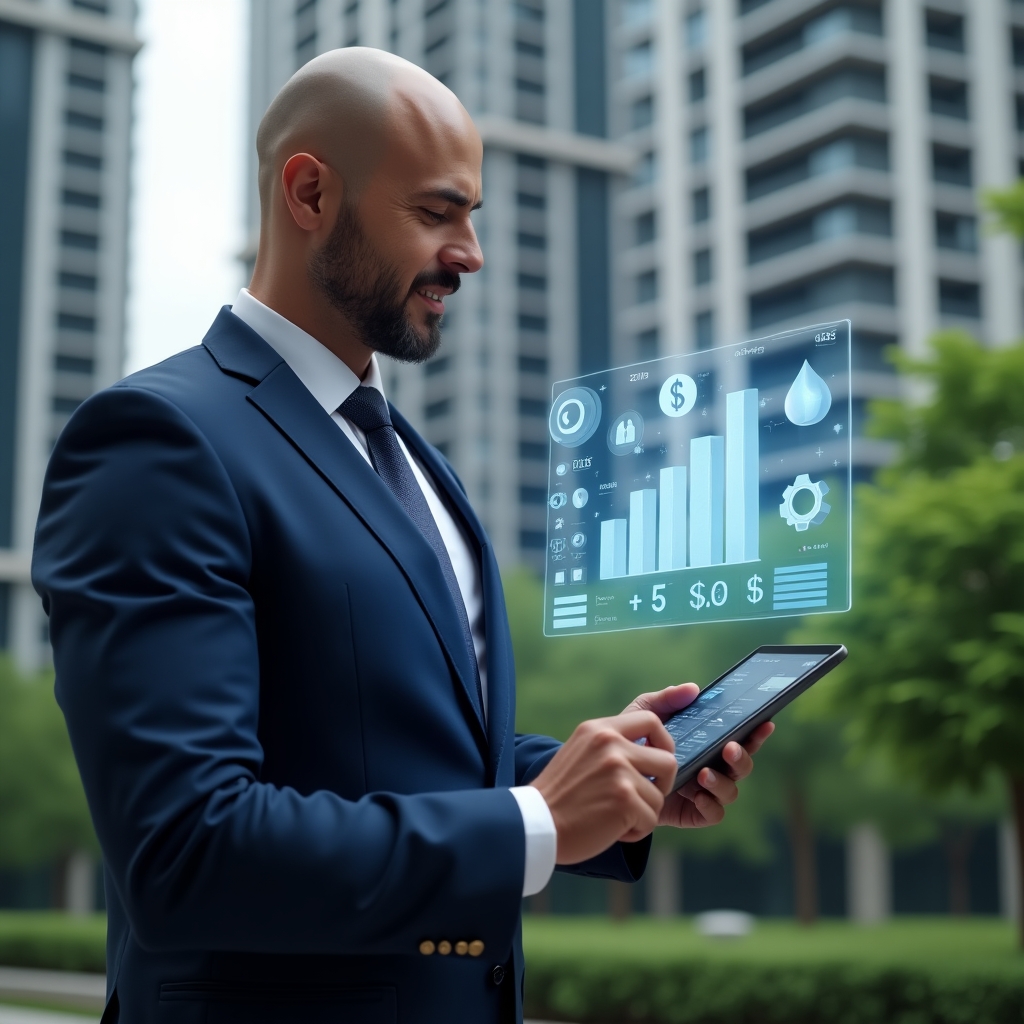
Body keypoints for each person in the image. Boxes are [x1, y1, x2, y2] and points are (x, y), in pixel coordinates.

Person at [32, 48, 772, 1024]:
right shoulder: (155, 442)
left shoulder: (418, 463)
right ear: (309, 193)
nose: (471, 253)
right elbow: (186, 847)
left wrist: (607, 780)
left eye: (473, 215)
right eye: (435, 212)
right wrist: (537, 820)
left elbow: (403, 750)